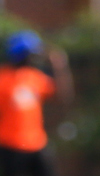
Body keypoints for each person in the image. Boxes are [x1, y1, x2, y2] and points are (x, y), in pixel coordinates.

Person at [0, 32, 72, 176]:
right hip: (9, 145)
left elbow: (62, 96)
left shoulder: (35, 77)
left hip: (37, 143)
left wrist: (59, 68)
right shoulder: (3, 78)